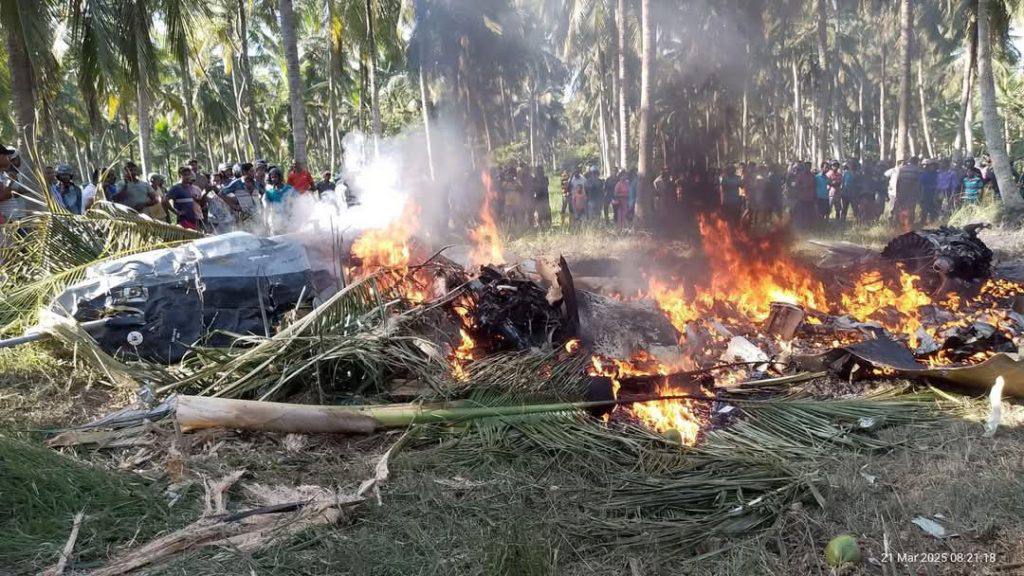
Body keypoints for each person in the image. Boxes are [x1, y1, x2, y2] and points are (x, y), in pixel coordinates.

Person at [893, 157, 923, 231]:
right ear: (916, 162)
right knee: (910, 208)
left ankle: (899, 224)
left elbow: (898, 181)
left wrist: (897, 192)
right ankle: (909, 225)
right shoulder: (917, 170)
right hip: (912, 192)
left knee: (901, 207)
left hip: (902, 191)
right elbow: (919, 183)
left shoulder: (902, 169)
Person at [264, 166, 296, 233]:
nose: (273, 179)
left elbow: (296, 204)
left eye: (275, 177)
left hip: (288, 222)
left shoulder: (289, 189)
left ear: (280, 177)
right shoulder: (269, 192)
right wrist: (266, 221)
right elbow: (267, 208)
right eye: (272, 177)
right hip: (275, 224)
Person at [918, 159, 939, 224]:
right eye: (930, 166)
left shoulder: (937, 174)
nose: (932, 167)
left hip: (934, 193)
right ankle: (923, 220)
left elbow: (938, 183)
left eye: (933, 166)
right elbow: (920, 184)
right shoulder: (924, 174)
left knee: (933, 208)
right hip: (925, 193)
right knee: (924, 207)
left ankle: (932, 220)